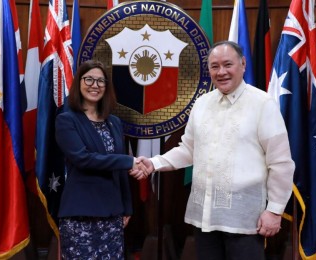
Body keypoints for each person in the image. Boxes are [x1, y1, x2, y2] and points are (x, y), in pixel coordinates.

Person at [131, 41, 295, 260]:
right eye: (215, 66)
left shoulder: (263, 104)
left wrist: (274, 210)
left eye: (228, 64)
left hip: (244, 221)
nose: (221, 72)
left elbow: (281, 162)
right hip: (205, 219)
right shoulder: (201, 104)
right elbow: (188, 149)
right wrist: (154, 163)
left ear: (243, 64)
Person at [55, 60, 146, 259]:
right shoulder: (66, 120)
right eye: (89, 79)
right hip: (81, 214)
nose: (94, 85)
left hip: (112, 214)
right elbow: (83, 159)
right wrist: (128, 161)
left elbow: (119, 171)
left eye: (100, 81)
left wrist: (126, 206)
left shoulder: (114, 122)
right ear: (79, 83)